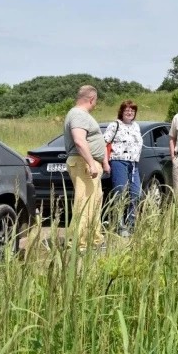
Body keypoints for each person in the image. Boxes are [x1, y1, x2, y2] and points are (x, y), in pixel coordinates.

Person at [64, 85, 108, 251]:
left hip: (88, 163)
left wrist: (102, 162)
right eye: (95, 101)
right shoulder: (78, 114)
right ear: (91, 99)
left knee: (94, 203)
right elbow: (79, 140)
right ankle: (77, 244)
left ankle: (95, 240)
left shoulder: (80, 115)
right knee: (84, 204)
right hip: (84, 164)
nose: (95, 105)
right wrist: (91, 163)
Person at [104, 99, 143, 235]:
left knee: (136, 193)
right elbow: (105, 143)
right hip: (118, 161)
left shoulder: (136, 126)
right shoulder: (115, 125)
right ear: (122, 111)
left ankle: (131, 223)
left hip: (133, 164)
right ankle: (118, 224)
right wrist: (105, 163)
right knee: (120, 192)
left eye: (132, 110)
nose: (130, 112)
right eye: (127, 110)